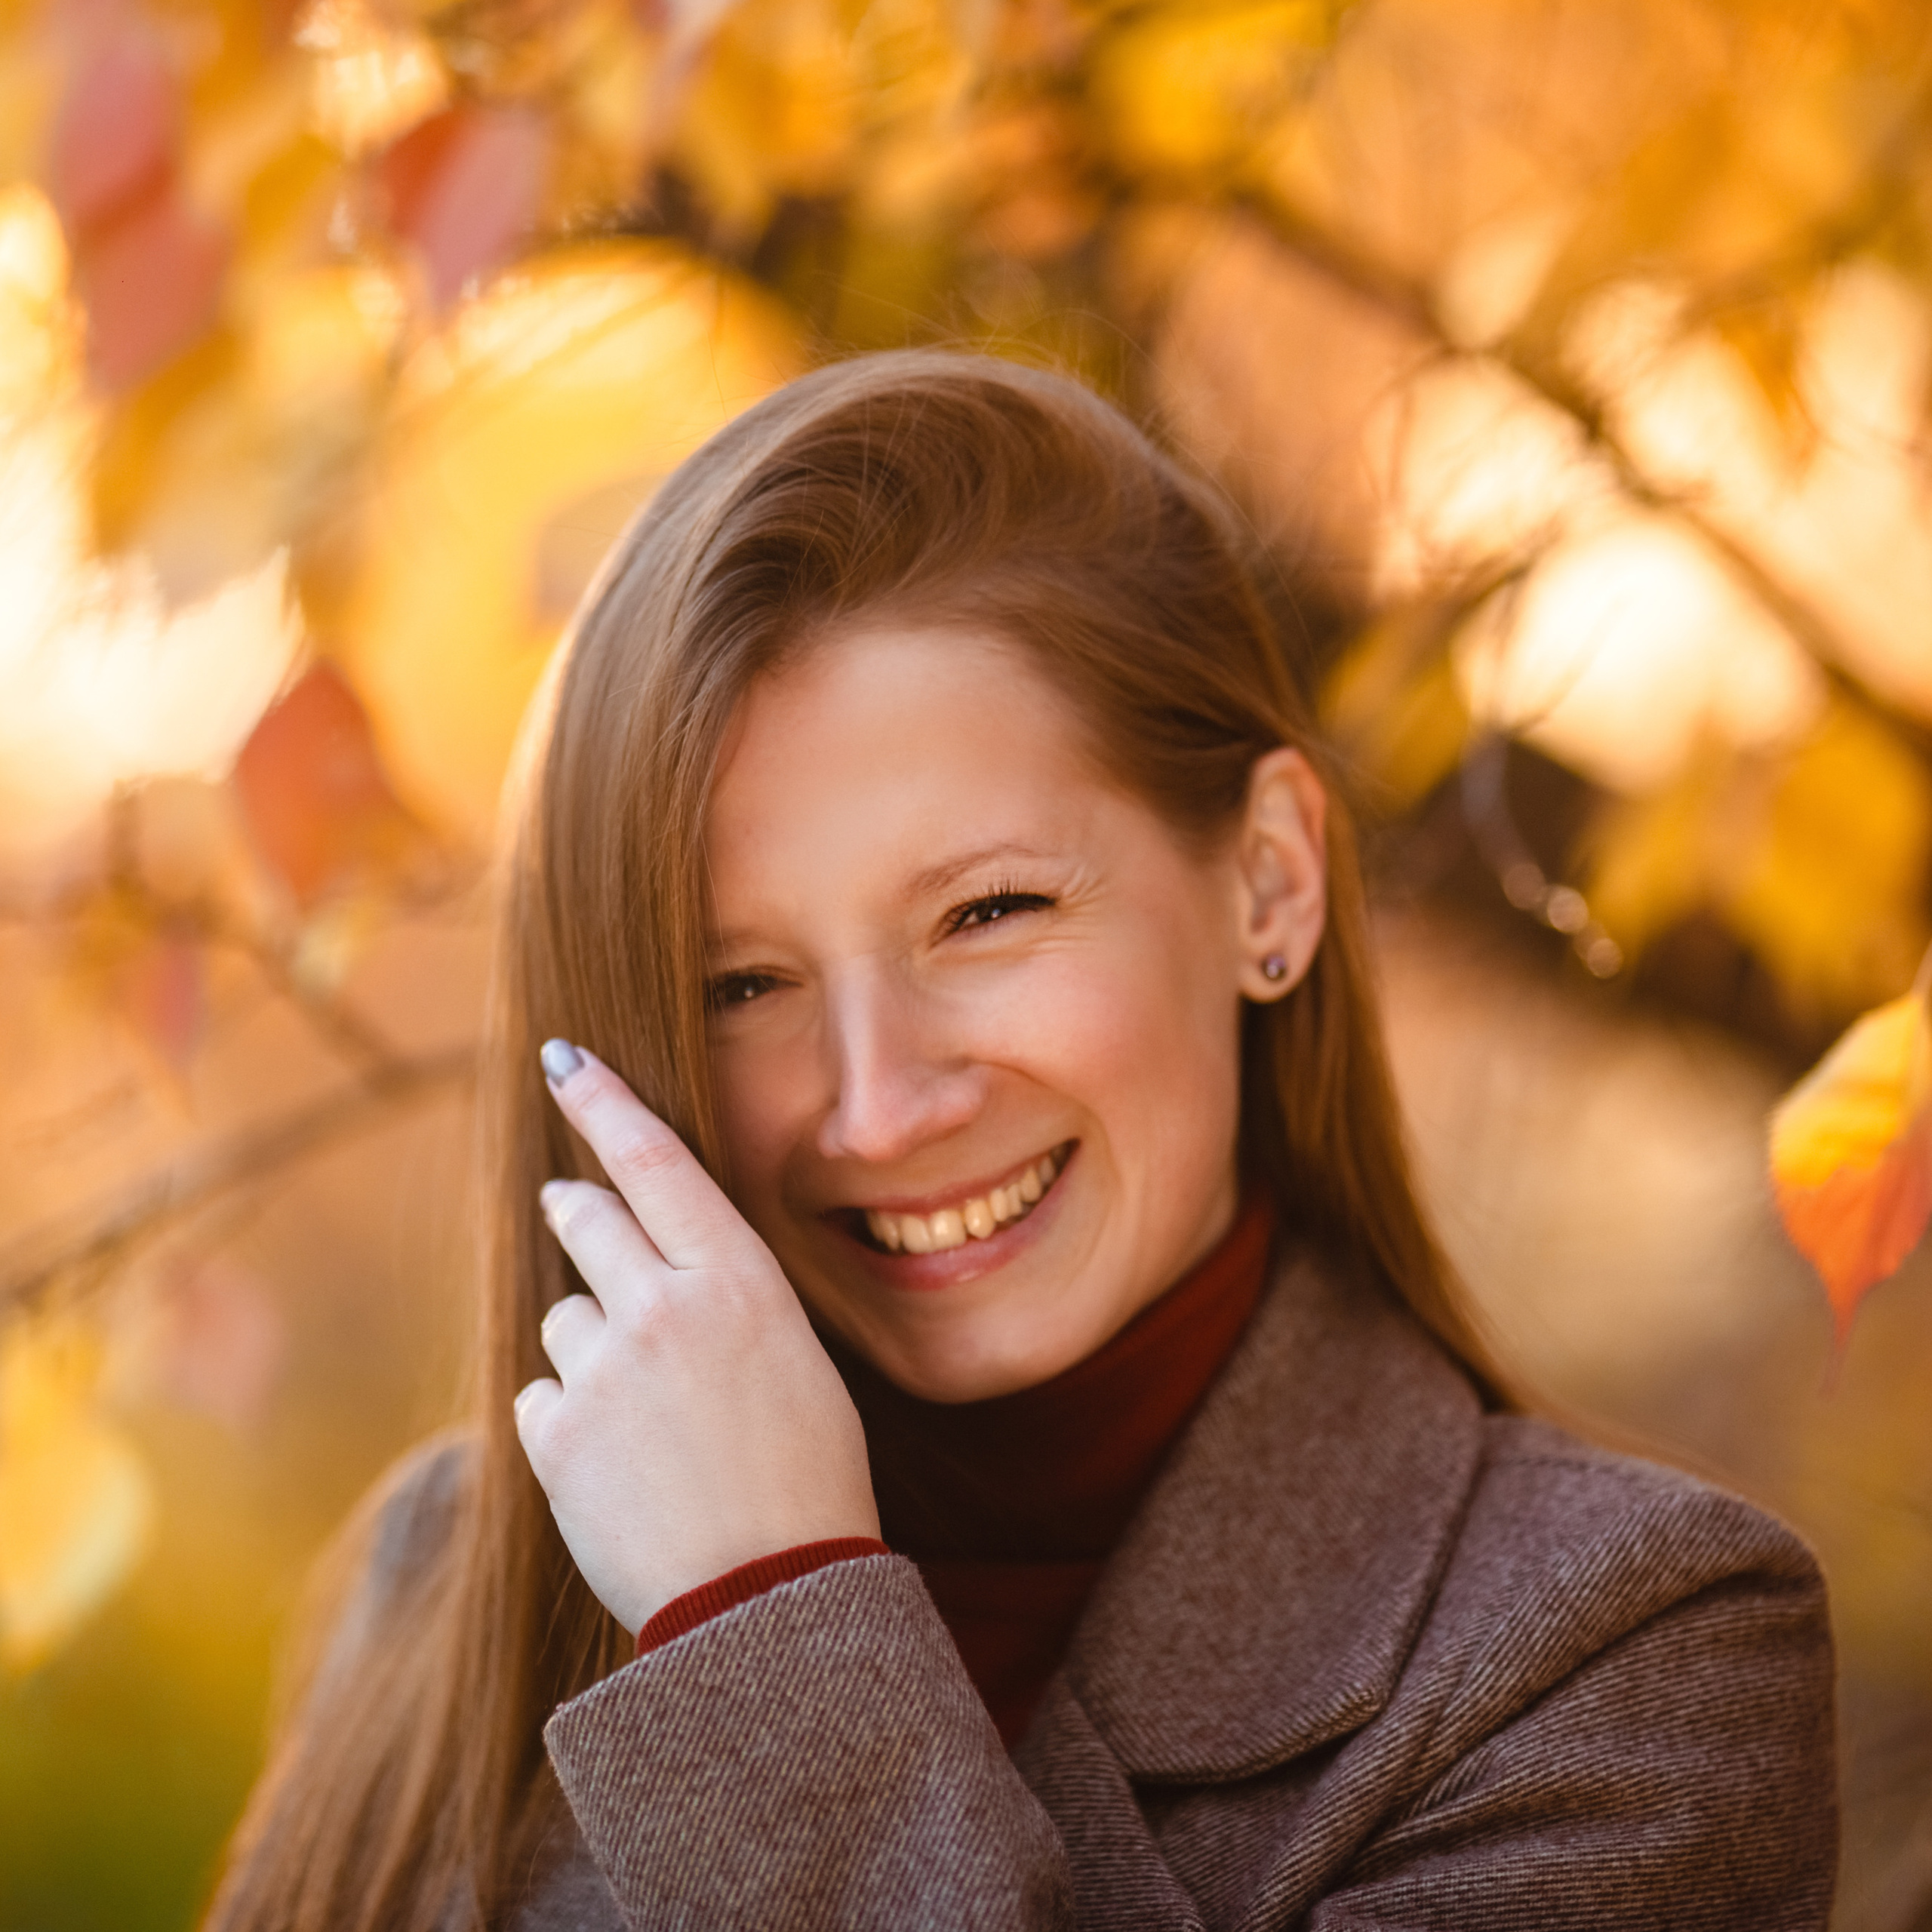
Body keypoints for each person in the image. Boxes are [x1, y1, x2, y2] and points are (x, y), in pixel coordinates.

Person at [205, 351, 1837, 1932]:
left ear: (1267, 880)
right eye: (740, 982)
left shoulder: (1623, 1654)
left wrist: (762, 1630)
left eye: (987, 911)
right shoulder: (446, 1590)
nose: (879, 1102)